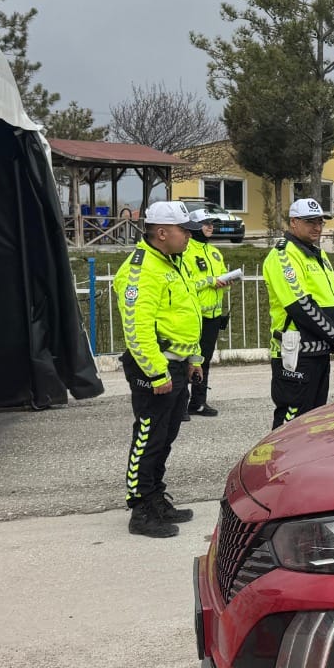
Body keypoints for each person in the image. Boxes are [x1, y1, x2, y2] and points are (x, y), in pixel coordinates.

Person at [114, 200, 203, 538]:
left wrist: (193, 358)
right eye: (184, 231)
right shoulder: (141, 269)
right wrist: (156, 372)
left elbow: (186, 314)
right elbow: (137, 329)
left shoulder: (172, 263)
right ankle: (140, 509)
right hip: (154, 368)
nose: (189, 237)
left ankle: (155, 497)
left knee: (165, 437)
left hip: (176, 366)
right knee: (148, 437)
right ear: (162, 233)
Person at [262, 197, 334, 430]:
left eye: (320, 222)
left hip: (320, 350)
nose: (317, 227)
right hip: (296, 352)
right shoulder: (283, 255)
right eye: (310, 221)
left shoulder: (317, 254)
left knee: (315, 422)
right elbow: (300, 305)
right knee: (291, 424)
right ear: (293, 222)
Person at [183, 209, 240, 417]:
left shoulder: (215, 252)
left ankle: (198, 402)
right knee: (185, 359)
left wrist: (226, 281)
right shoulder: (185, 251)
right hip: (192, 315)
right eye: (205, 223)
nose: (210, 226)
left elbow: (220, 277)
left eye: (212, 223)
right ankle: (180, 405)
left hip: (213, 315)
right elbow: (186, 283)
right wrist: (209, 281)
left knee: (204, 359)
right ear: (194, 226)